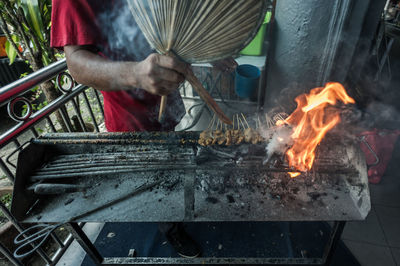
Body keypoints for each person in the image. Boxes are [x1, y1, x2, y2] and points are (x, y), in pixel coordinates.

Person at [51, 0, 236, 258]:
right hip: (128, 111)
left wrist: (206, 51)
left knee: (169, 162)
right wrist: (137, 74)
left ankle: (172, 209)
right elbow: (77, 64)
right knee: (151, 176)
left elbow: (174, 28)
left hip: (165, 100)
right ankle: (170, 226)